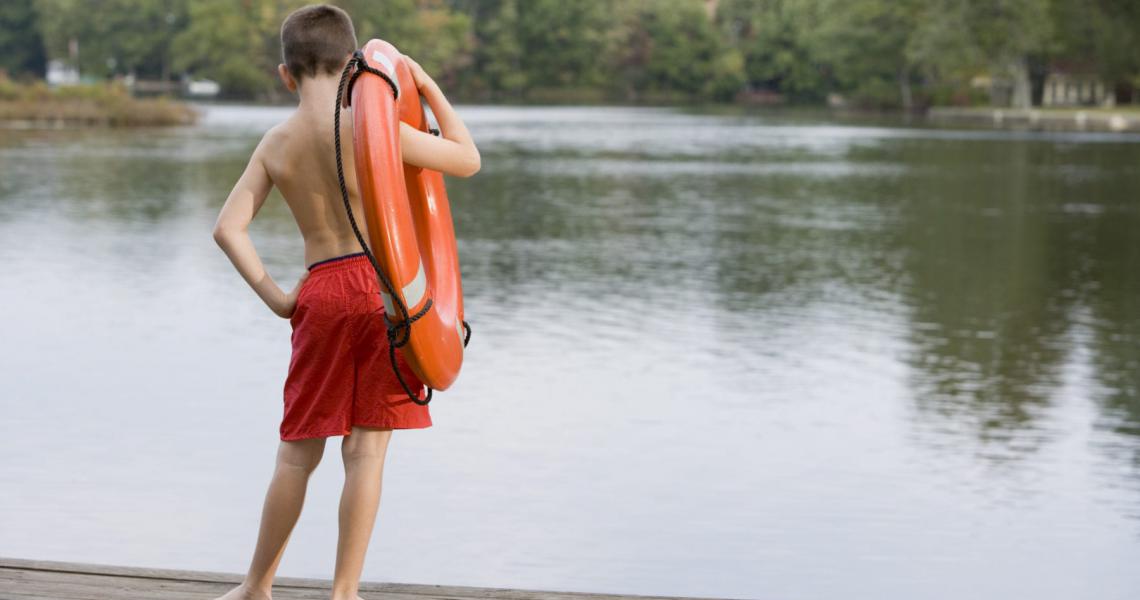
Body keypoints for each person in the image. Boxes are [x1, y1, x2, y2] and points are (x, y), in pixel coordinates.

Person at [210, 5, 479, 600]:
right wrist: (426, 84)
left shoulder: (276, 142)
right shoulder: (371, 129)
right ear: (356, 65)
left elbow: (228, 228)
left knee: (296, 455)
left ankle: (256, 588)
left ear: (286, 74)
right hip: (386, 291)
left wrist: (280, 298)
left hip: (321, 290)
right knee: (366, 452)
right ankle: (344, 594)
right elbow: (467, 158)